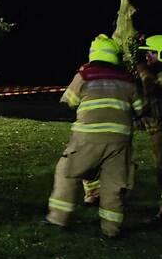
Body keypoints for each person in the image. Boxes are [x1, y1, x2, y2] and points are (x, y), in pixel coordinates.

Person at [46, 34, 143, 238]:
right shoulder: (127, 80)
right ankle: (111, 229)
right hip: (120, 141)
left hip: (88, 138)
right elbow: (140, 109)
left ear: (93, 54)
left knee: (66, 172)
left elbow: (68, 102)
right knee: (114, 186)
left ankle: (58, 219)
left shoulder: (85, 75)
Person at [136, 34, 162, 222]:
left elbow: (150, 89)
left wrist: (142, 70)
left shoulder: (157, 77)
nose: (147, 57)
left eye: (150, 53)